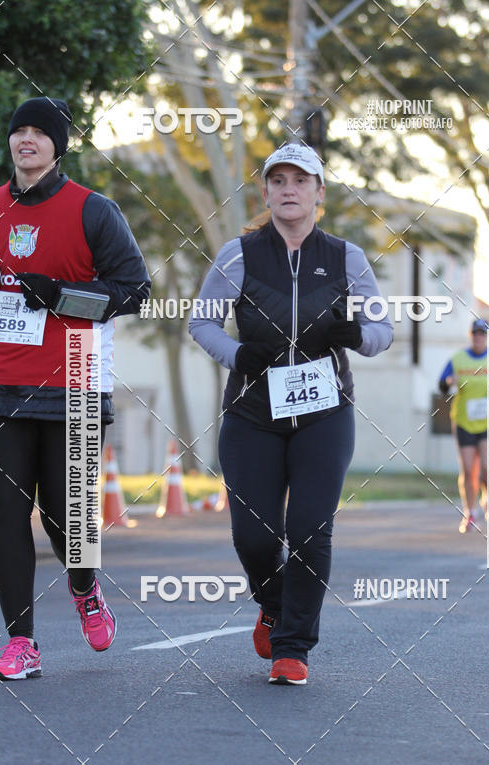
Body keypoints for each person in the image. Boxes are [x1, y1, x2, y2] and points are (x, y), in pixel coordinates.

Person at [189, 143, 393, 685]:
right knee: (254, 538)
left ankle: (293, 647)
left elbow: (383, 330)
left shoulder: (347, 257)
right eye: (277, 180)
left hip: (325, 412)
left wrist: (359, 336)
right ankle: (274, 606)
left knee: (309, 531)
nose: (289, 189)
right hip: (252, 412)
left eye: (300, 181)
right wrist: (238, 354)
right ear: (265, 192)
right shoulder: (239, 254)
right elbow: (202, 323)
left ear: (319, 192)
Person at [0, 97, 150, 679]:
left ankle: (84, 587)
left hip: (76, 385)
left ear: (58, 146)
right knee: (5, 518)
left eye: (39, 132)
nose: (26, 140)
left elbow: (135, 291)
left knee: (69, 521)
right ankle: (21, 642)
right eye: (19, 131)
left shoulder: (94, 211)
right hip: (1, 385)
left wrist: (59, 295)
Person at [438, 318, 489, 534]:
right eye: (475, 333)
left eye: (482, 333)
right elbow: (441, 384)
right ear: (471, 336)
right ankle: (470, 512)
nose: (478, 337)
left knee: (487, 467)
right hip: (464, 421)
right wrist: (449, 381)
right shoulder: (458, 359)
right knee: (468, 470)